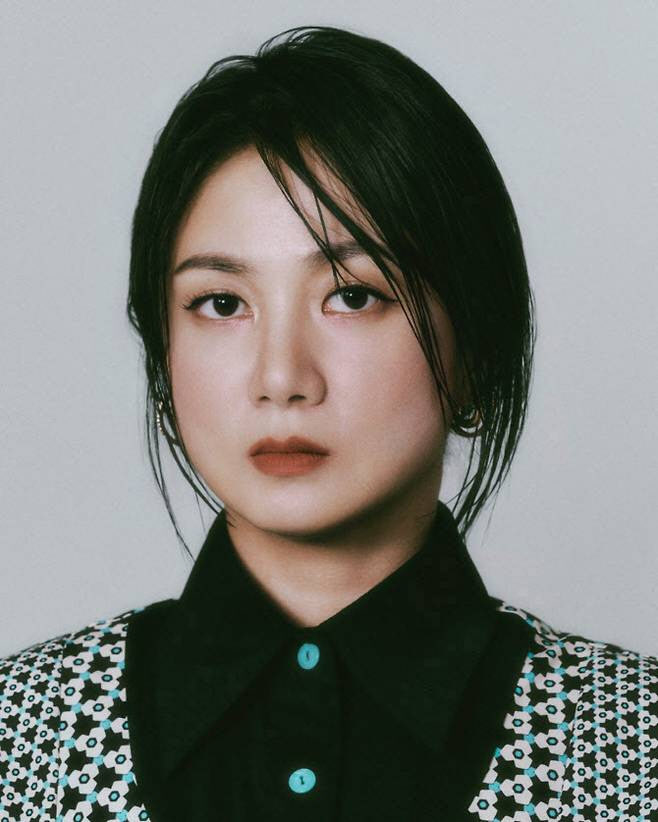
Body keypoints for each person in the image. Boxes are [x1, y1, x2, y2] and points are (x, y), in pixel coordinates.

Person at [1, 23, 656, 822]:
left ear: (475, 347)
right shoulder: (18, 736)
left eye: (353, 295)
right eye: (221, 303)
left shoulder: (634, 749)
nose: (281, 378)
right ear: (163, 354)